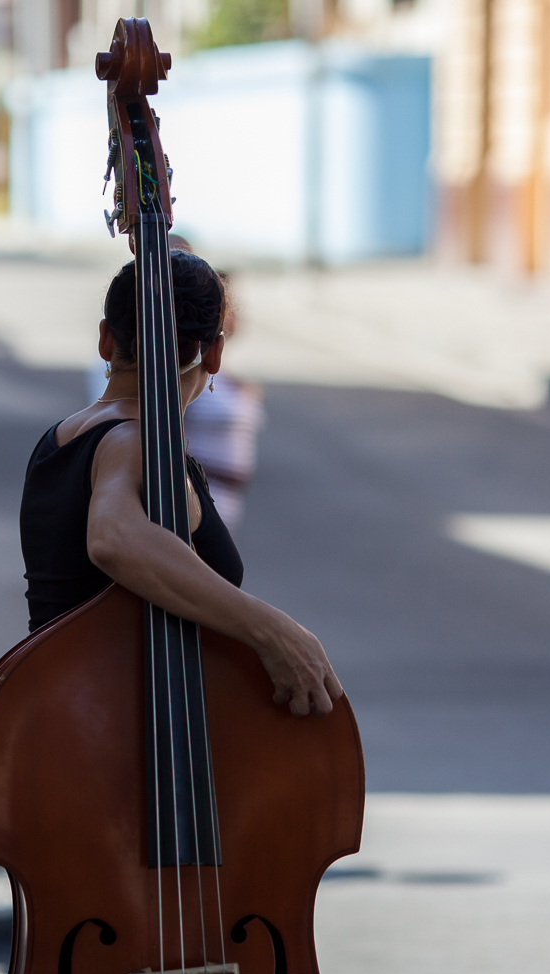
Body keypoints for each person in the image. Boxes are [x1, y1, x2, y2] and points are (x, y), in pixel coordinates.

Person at [19, 250, 342, 717]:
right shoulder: (135, 440)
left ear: (106, 339)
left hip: (58, 721)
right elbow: (113, 537)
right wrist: (271, 629)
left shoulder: (64, 437)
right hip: (111, 726)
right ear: (215, 352)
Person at [182, 270, 264, 530]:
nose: (238, 313)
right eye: (231, 304)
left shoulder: (229, 374)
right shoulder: (192, 373)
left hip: (226, 497)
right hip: (201, 495)